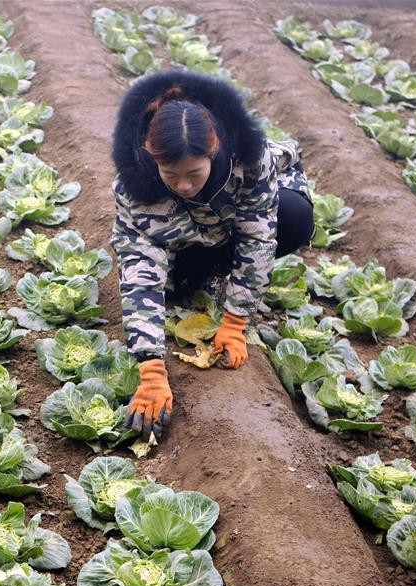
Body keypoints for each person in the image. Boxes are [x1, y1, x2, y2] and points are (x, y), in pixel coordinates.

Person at [110, 69, 315, 439]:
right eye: (171, 174)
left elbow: (257, 236)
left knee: (295, 217)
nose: (184, 185)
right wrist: (151, 367)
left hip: (235, 222)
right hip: (189, 232)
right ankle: (197, 274)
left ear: (214, 149)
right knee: (170, 288)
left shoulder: (251, 159)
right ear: (151, 157)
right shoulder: (133, 188)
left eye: (194, 172)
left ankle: (218, 273)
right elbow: (139, 265)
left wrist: (236, 322)